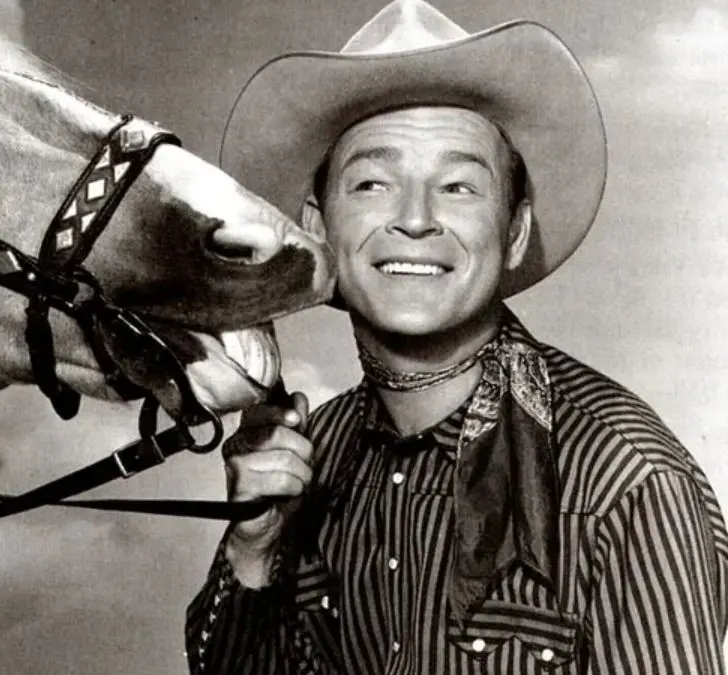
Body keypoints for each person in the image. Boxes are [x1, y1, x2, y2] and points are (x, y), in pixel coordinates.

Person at [184, 1, 728, 673]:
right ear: (318, 230)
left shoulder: (626, 479)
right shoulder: (310, 455)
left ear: (515, 232)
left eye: (458, 186)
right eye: (373, 183)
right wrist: (254, 549)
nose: (415, 218)